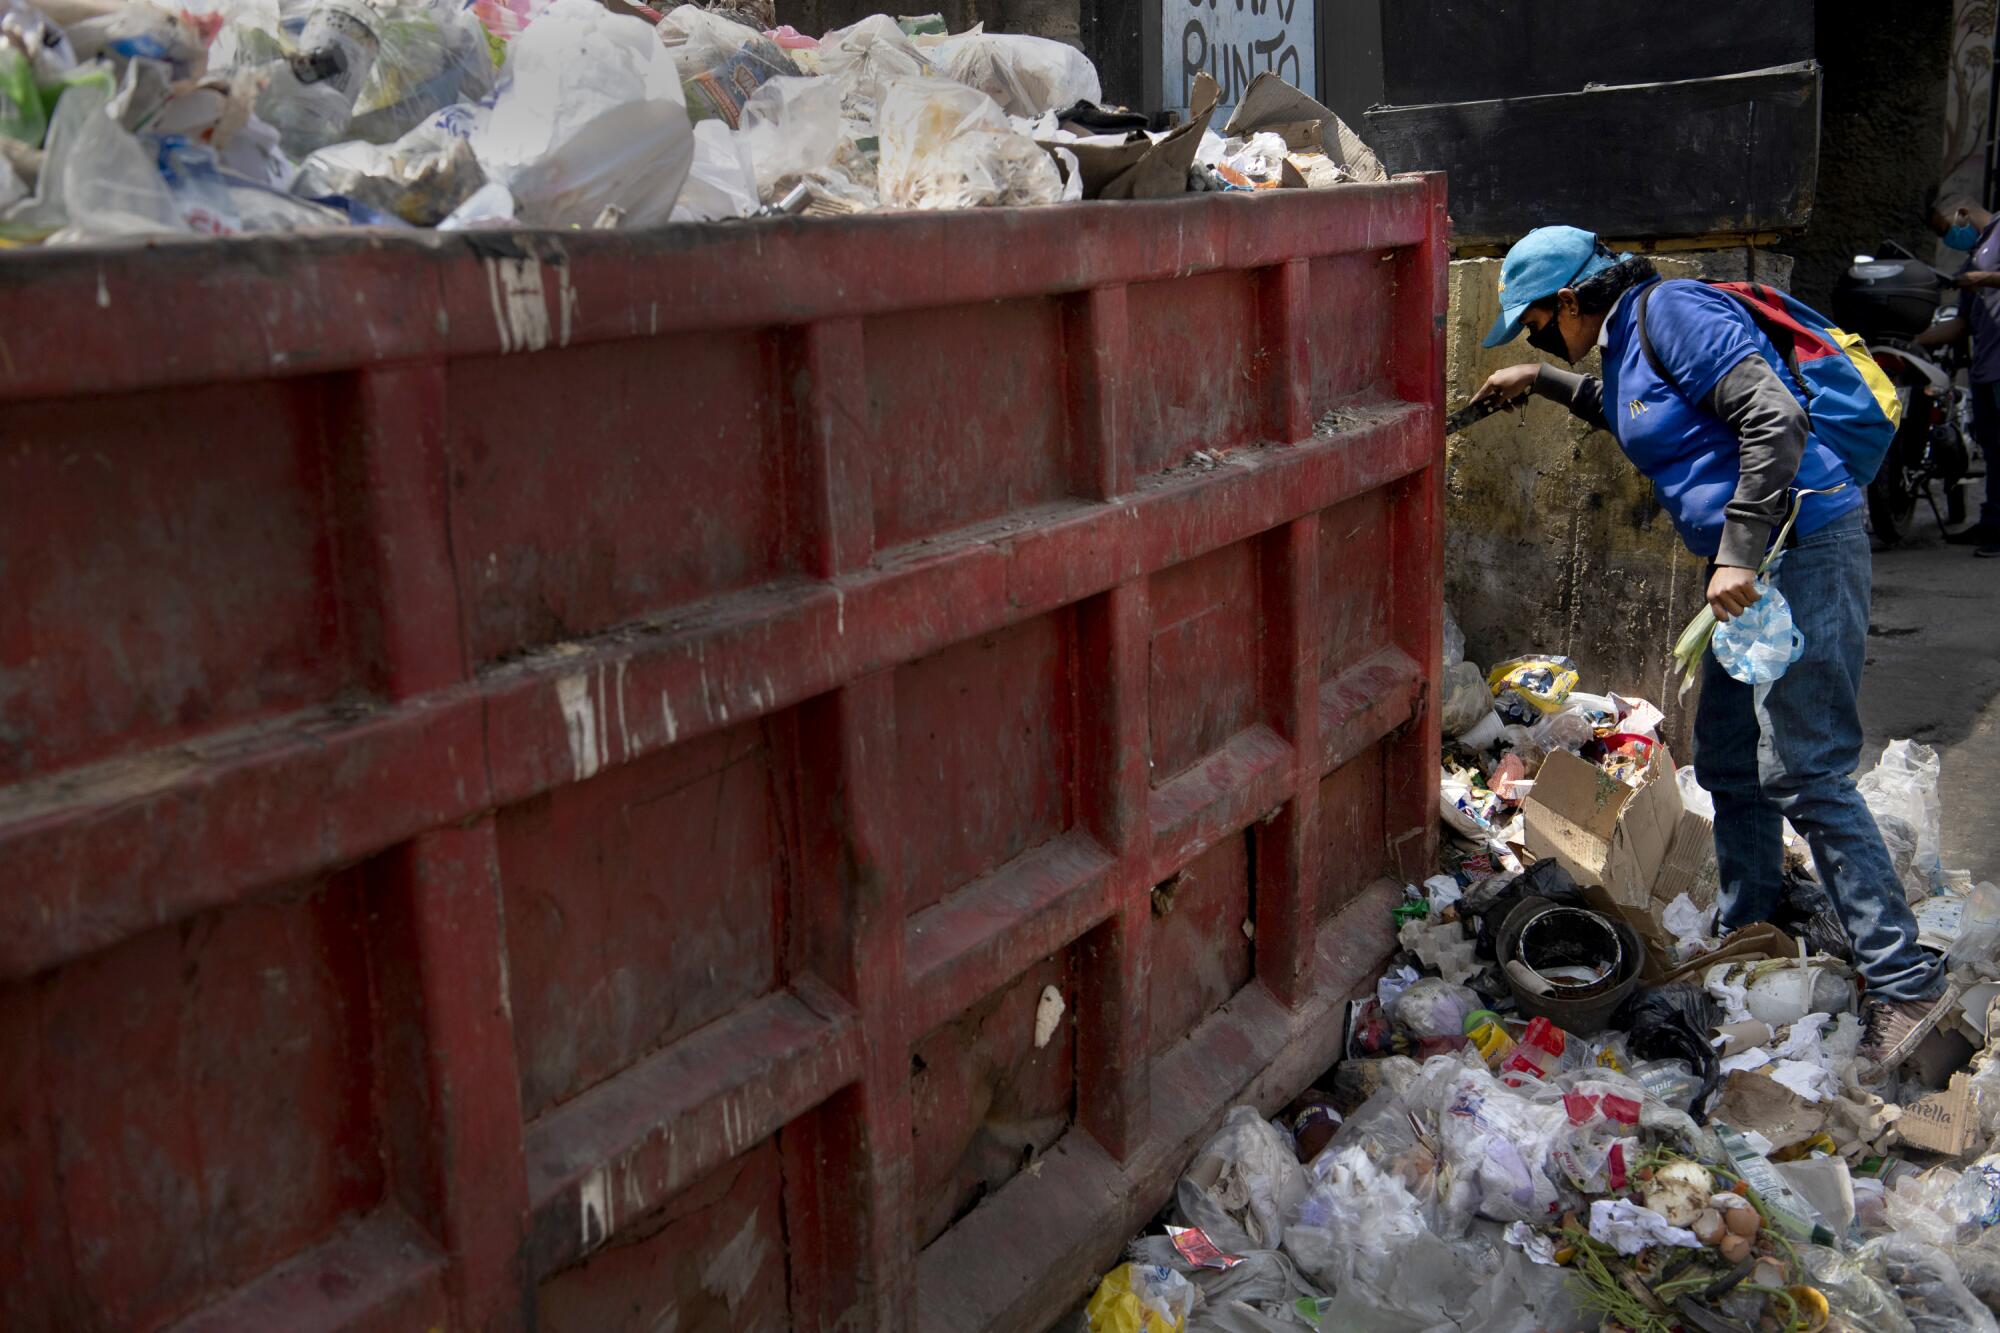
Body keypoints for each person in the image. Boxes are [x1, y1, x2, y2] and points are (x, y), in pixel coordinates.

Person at [1470, 225, 1952, 1070]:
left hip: (1799, 546)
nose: (1538, 336)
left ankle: (1906, 983)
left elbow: (1775, 414)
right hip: (1751, 570)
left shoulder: (1673, 314)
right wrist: (1541, 380)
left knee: (1807, 767)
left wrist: (1734, 551)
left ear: (1573, 300)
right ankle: (1749, 927)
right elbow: (1643, 416)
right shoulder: (1620, 345)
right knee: (1729, 759)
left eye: (1537, 326)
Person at [1919, 195, 2000, 556]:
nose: (1949, 236)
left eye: (1948, 227)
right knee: (1993, 448)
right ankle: (1992, 521)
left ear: (1963, 213)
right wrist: (1916, 340)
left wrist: (1982, 277)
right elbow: (1960, 325)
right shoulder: (1975, 256)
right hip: (1986, 366)